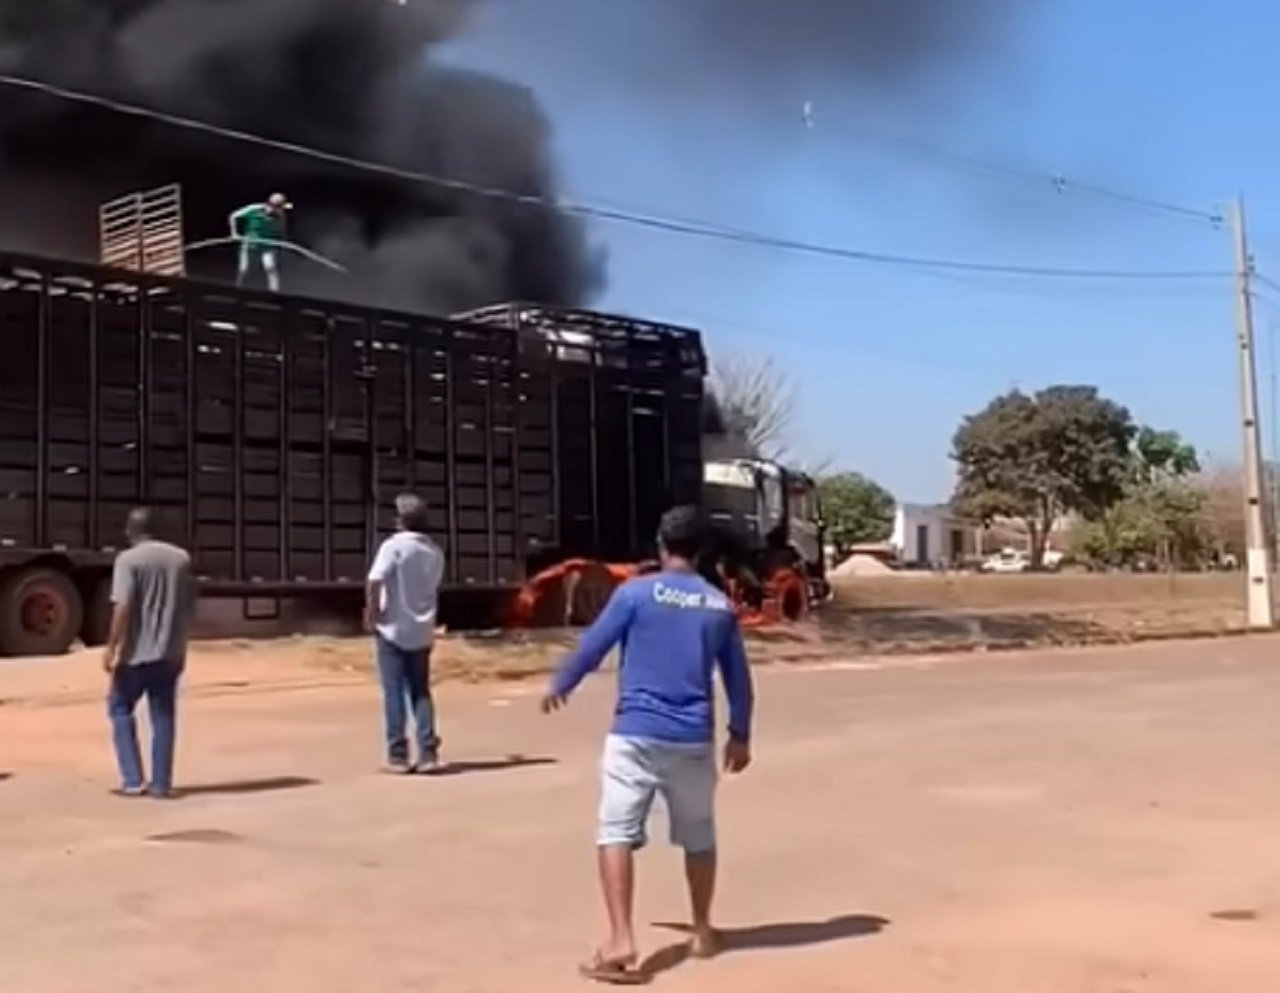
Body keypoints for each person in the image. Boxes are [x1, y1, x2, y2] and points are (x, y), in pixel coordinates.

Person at [542, 505, 755, 984]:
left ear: (661, 545)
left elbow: (594, 645)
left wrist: (562, 683)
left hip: (635, 734)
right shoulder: (719, 606)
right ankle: (701, 931)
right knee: (699, 835)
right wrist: (740, 733)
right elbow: (738, 679)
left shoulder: (634, 594)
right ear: (701, 552)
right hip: (692, 738)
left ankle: (621, 940)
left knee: (615, 831)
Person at [102, 507, 195, 799]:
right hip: (170, 652)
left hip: (135, 655)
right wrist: (181, 645)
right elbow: (188, 607)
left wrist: (111, 647)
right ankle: (161, 784)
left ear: (131, 531)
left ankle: (132, 780)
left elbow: (123, 607)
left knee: (119, 709)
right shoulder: (181, 559)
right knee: (163, 716)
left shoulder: (128, 560)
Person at [366, 493, 446, 774]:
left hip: (392, 627)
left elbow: (375, 579)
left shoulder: (393, 547)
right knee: (420, 691)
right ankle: (428, 753)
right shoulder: (434, 552)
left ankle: (398, 754)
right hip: (422, 629)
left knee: (393, 692)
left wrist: (372, 611)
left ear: (401, 521)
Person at [229, 192, 291, 292]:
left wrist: (281, 241)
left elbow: (281, 230)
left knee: (270, 268)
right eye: (279, 207)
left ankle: (274, 292)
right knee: (244, 270)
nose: (280, 210)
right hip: (250, 244)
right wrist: (234, 233)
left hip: (267, 245)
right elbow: (233, 216)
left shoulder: (280, 215)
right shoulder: (254, 209)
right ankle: (238, 289)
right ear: (271, 206)